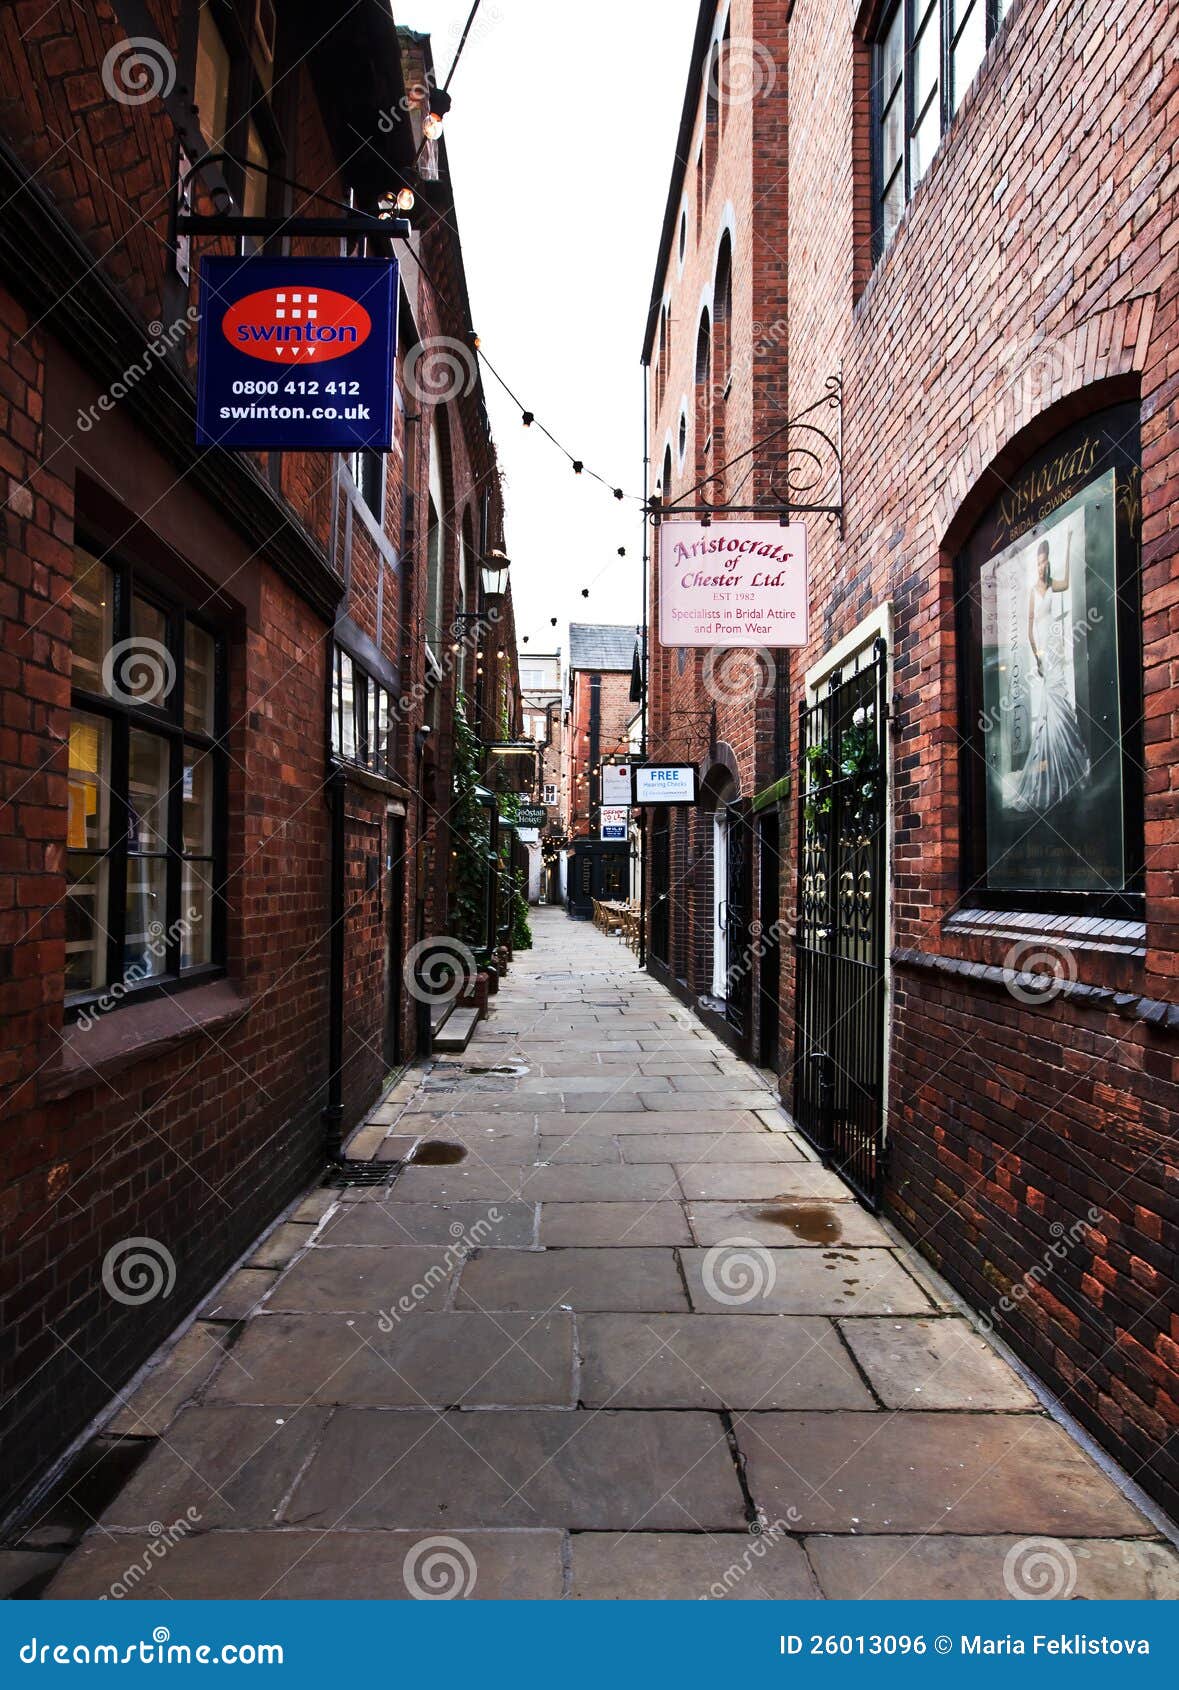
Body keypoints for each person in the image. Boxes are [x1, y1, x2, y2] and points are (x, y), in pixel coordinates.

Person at [1010, 529, 1090, 812]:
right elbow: (1030, 630)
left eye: (1044, 561)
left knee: (1059, 702)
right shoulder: (1034, 591)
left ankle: (1064, 769)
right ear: (1036, 564)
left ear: (1048, 561)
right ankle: (1053, 770)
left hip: (1055, 645)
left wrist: (1067, 545)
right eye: (1038, 562)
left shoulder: (1053, 583)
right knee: (1051, 704)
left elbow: (1067, 581)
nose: (1041, 565)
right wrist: (1037, 656)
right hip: (1043, 649)